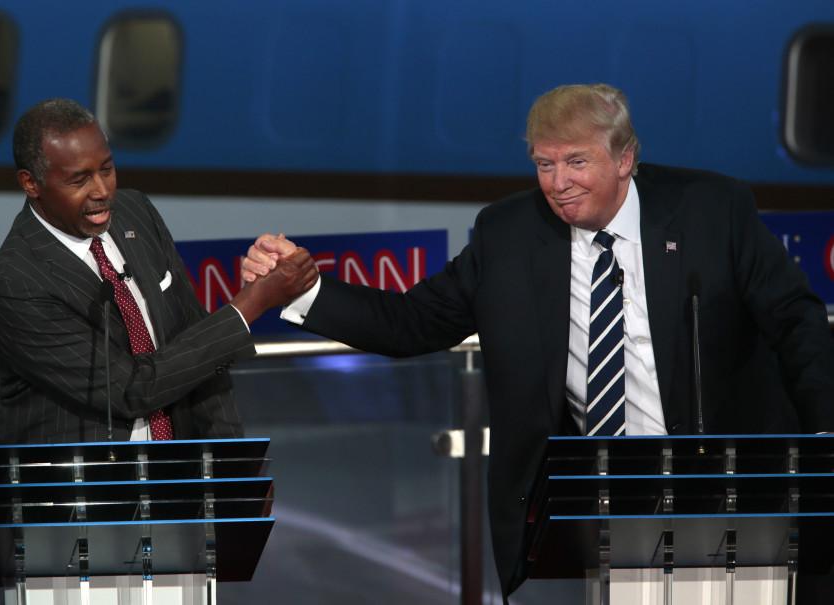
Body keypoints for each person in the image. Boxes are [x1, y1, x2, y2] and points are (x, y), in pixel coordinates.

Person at [242, 84, 834, 598]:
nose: (558, 183)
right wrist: (300, 290)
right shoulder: (509, 234)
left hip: (726, 487)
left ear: (625, 158)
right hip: (602, 499)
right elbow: (411, 322)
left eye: (577, 162)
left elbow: (796, 321)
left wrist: (825, 438)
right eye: (544, 164)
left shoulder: (711, 211)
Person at [0, 98, 317, 445]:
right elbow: (131, 390)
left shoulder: (135, 212)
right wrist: (251, 303)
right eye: (79, 180)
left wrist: (240, 471)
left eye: (107, 169)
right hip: (86, 489)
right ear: (31, 183)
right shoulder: (17, 281)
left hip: (176, 475)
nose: (101, 191)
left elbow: (199, 349)